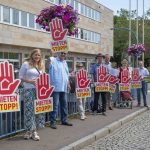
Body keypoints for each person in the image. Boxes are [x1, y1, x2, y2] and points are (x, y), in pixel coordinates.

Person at [19, 49, 45, 141]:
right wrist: (30, 81)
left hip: (39, 91)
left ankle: (34, 131)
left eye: (38, 55)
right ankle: (29, 131)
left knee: (37, 110)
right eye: (35, 55)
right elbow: (20, 77)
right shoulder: (26, 64)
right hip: (28, 90)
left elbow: (43, 77)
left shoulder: (40, 65)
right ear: (32, 55)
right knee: (28, 110)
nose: (37, 56)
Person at [49, 52, 73, 129]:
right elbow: (47, 65)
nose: (63, 54)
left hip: (64, 86)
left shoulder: (65, 62)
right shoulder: (53, 60)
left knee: (64, 104)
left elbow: (67, 75)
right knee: (55, 105)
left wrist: (68, 84)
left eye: (65, 53)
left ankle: (64, 120)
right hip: (55, 87)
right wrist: (50, 55)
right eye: (62, 53)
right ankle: (53, 122)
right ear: (59, 53)